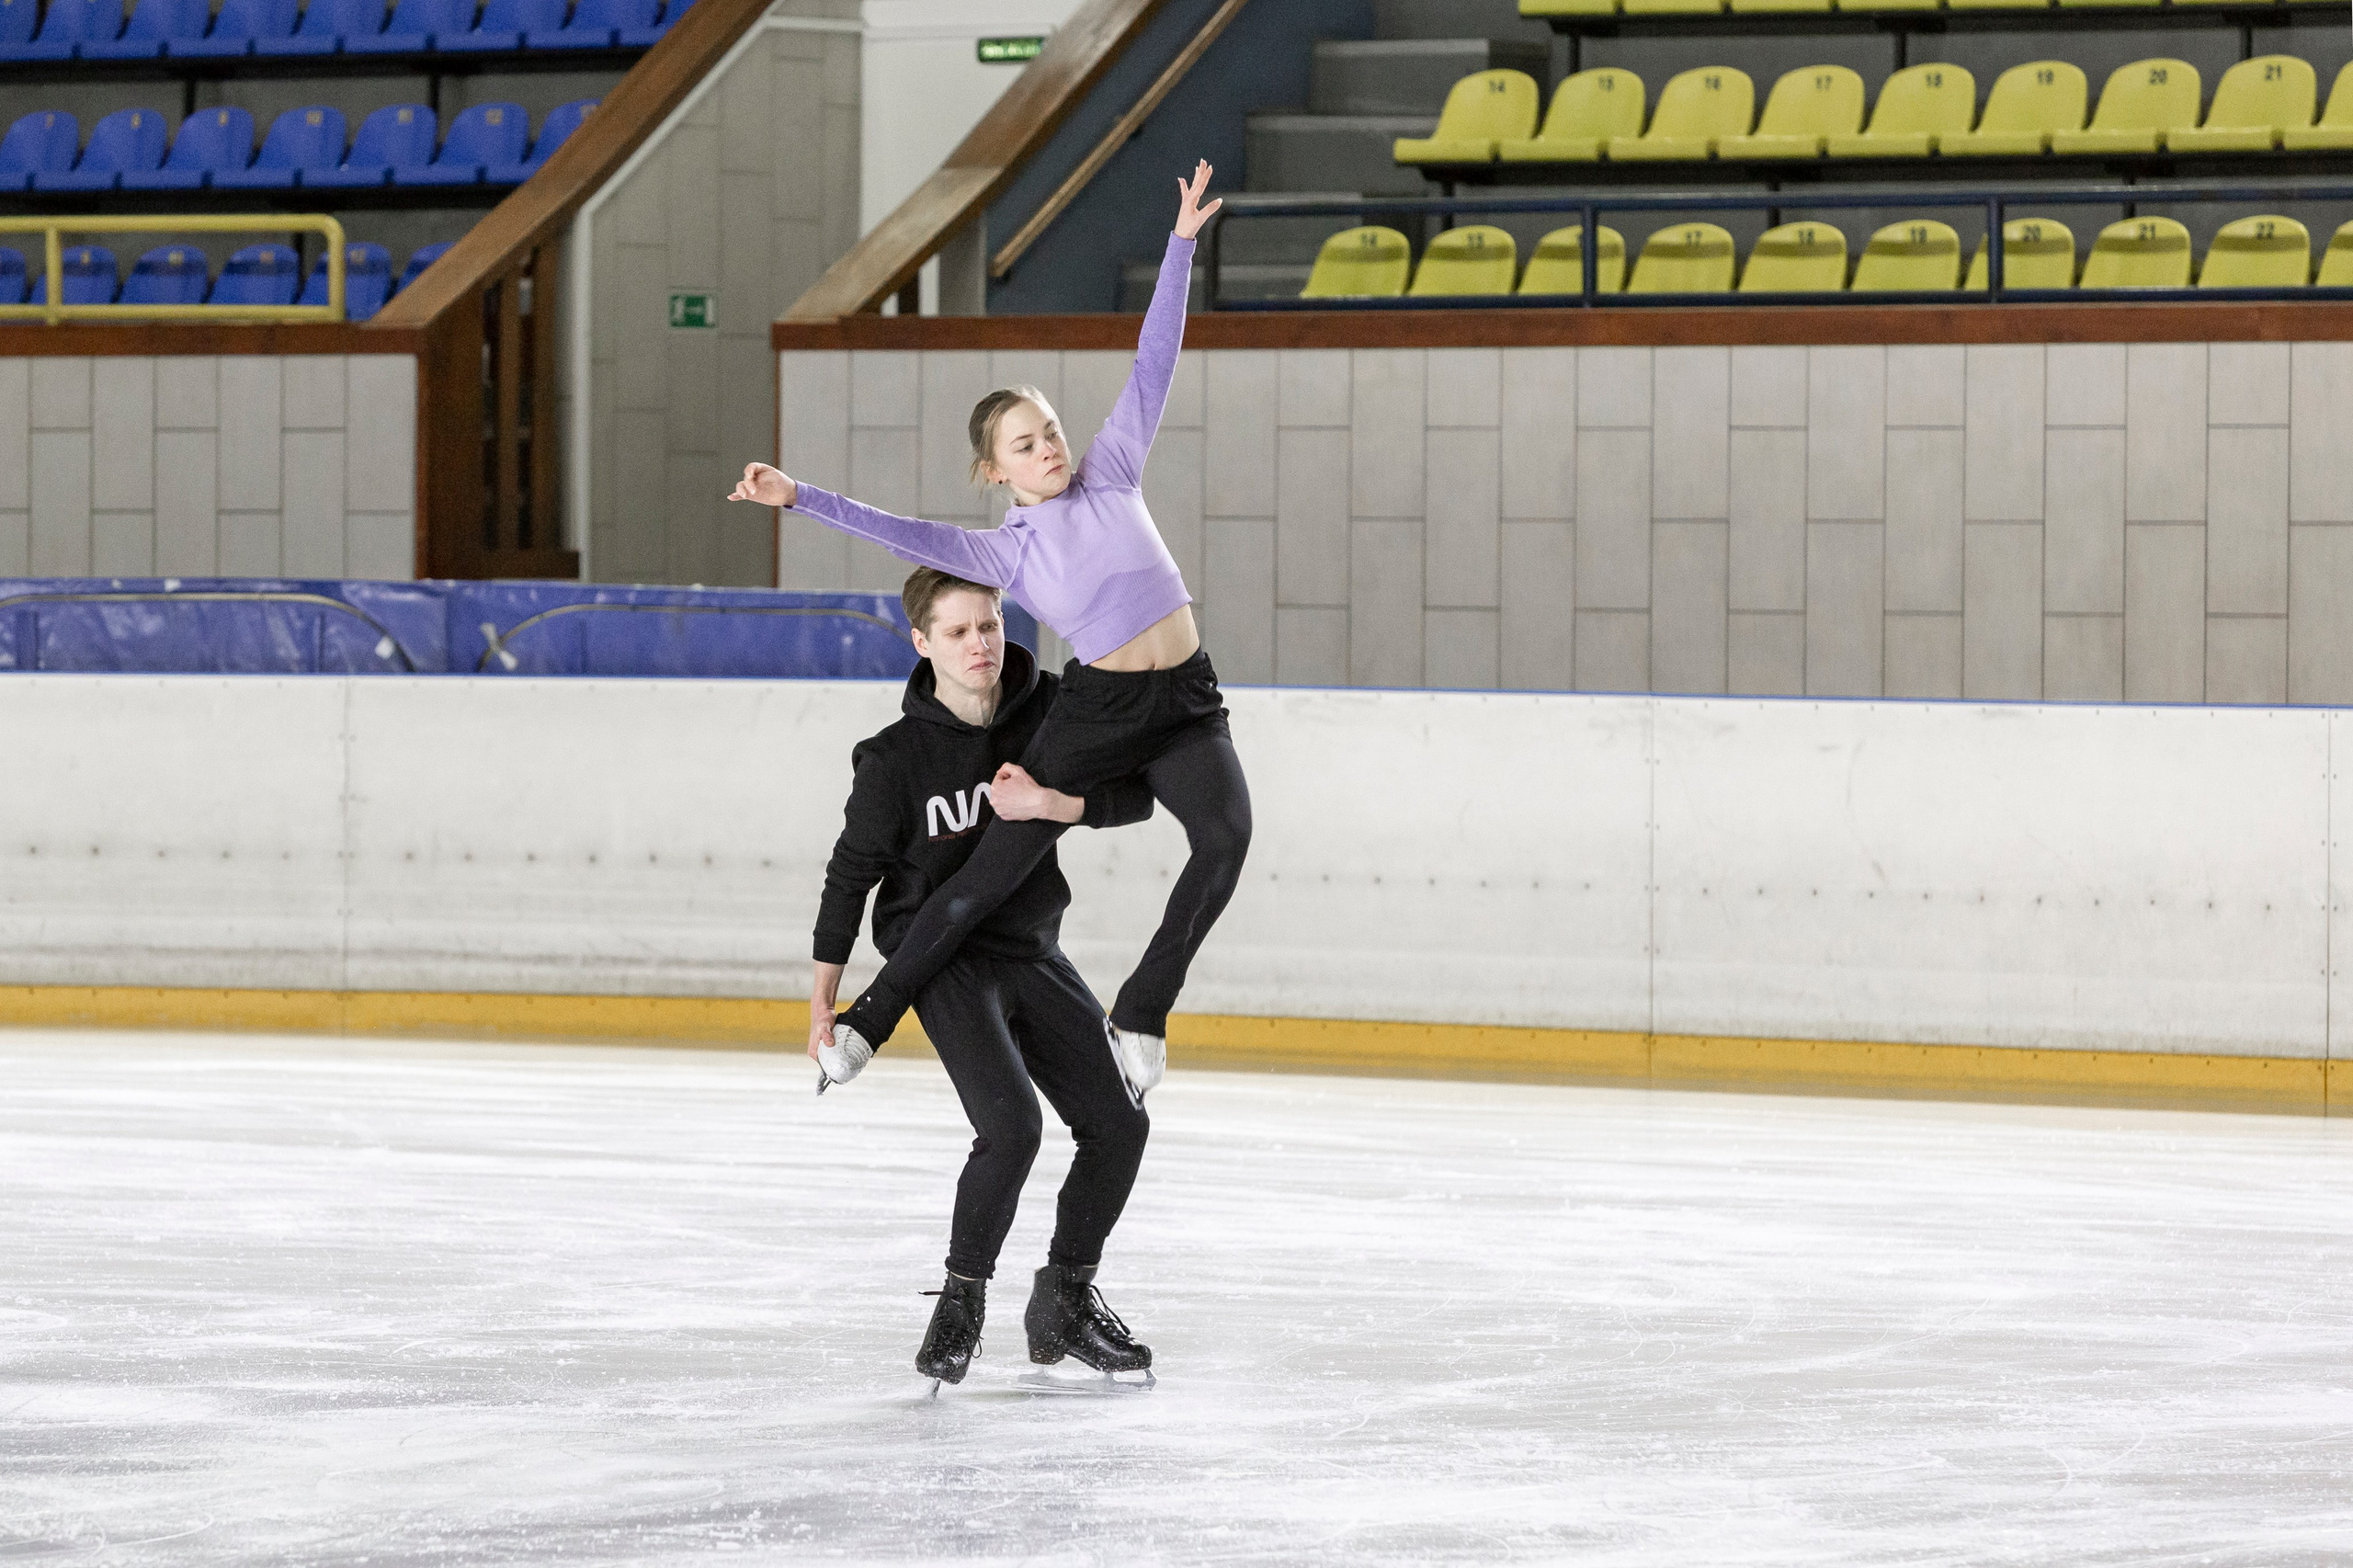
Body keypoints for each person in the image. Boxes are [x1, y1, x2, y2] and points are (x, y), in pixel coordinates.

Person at [733, 159, 1249, 1110]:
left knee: (1224, 838)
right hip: (1096, 709)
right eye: (1025, 443)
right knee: (982, 874)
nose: (1049, 447)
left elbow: (1153, 363)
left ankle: (1140, 1011)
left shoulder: (1115, 471)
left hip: (1185, 700)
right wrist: (797, 496)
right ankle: (866, 1021)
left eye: (1050, 430)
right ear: (992, 469)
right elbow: (892, 528)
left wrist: (1178, 248)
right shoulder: (1001, 551)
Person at [813, 564, 1159, 1388]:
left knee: (1119, 1124)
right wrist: (824, 997)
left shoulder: (1046, 719)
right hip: (942, 965)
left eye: (991, 626)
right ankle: (961, 1299)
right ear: (923, 642)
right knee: (1012, 1129)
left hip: (1033, 950)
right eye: (960, 631)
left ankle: (1065, 1301)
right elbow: (850, 874)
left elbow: (1137, 796)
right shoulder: (895, 760)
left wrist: (1054, 804)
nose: (980, 645)